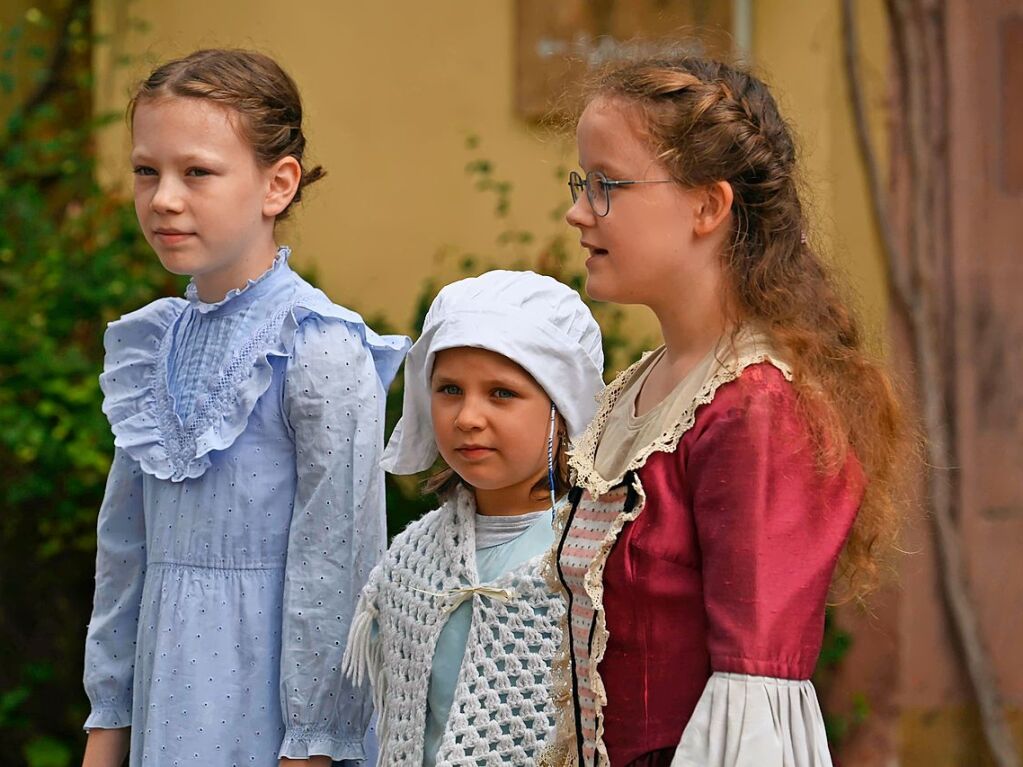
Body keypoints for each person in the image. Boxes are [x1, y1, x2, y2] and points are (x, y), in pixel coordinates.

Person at [544, 55, 908, 766]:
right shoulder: (646, 389)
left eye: (605, 185)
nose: (577, 209)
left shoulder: (758, 410)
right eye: (580, 183)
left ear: (708, 206)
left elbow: (751, 693)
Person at [81, 49, 409, 767]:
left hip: (271, 714)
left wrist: (314, 744)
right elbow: (124, 550)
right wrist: (107, 721)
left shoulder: (317, 348)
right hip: (166, 698)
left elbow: (340, 565)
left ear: (277, 183)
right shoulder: (154, 344)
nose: (163, 196)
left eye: (196, 171)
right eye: (146, 170)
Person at [343, 270, 605, 766]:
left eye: (502, 393)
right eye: (449, 390)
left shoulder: (591, 554)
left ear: (562, 408)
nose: (467, 417)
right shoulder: (412, 561)